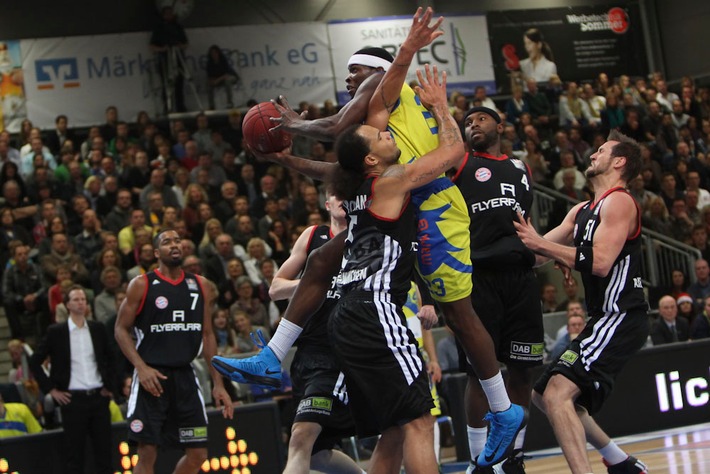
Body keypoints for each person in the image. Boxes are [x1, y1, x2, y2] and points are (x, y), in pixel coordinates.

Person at [214, 9, 526, 469]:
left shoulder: (378, 90)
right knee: (321, 260)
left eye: (353, 71)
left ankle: (503, 409)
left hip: (432, 203)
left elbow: (347, 128)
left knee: (459, 316)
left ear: (374, 72)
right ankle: (273, 353)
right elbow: (339, 166)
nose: (348, 80)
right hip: (397, 203)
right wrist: (287, 161)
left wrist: (291, 126)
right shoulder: (378, 119)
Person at [514, 130, 649, 474]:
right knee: (544, 395)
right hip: (601, 318)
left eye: (601, 151)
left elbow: (600, 261)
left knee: (557, 394)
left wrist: (546, 246)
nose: (592, 155)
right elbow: (537, 255)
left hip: (621, 315)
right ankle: (620, 462)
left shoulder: (619, 201)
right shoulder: (581, 210)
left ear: (619, 162)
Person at [451, 106, 545, 473]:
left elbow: (527, 224)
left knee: (523, 372)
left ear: (500, 126)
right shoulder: (460, 162)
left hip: (521, 278)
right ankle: (479, 461)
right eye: (468, 122)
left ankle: (513, 458)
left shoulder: (521, 168)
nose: (473, 125)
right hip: (479, 278)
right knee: (479, 373)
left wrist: (551, 255)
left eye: (480, 120)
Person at [115, 228, 233, 474]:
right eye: (167, 242)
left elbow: (208, 335)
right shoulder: (141, 284)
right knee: (146, 453)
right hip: (152, 377)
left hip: (186, 378)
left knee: (198, 454)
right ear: (157, 252)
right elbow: (120, 330)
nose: (174, 244)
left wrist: (218, 383)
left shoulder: (201, 285)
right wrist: (141, 367)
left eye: (178, 240)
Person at [268, 187, 363, 474]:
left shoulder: (367, 237)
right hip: (306, 354)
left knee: (301, 438)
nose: (344, 200)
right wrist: (315, 281)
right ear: (327, 203)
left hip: (339, 352)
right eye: (339, 195)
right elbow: (275, 288)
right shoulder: (312, 236)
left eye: (350, 195)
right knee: (318, 453)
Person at [29, 285, 116, 474]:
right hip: (72, 400)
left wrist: (110, 386)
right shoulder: (56, 332)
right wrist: (51, 390)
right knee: (74, 456)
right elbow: (35, 362)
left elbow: (112, 357)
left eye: (83, 299)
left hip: (98, 398)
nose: (81, 303)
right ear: (67, 304)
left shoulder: (97, 328)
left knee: (105, 454)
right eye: (76, 299)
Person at [150, 5, 188, 113]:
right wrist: (163, 49)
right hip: (165, 60)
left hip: (178, 58)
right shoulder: (159, 28)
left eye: (170, 13)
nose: (169, 15)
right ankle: (167, 107)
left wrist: (178, 46)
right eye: (167, 13)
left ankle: (181, 107)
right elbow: (152, 46)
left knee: (179, 84)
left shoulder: (178, 27)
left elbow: (185, 44)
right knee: (166, 84)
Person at [205, 45, 239, 110]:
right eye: (212, 53)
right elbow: (210, 76)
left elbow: (227, 74)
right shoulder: (209, 64)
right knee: (208, 85)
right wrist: (212, 81)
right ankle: (211, 106)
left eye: (215, 53)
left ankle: (230, 103)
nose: (214, 55)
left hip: (230, 77)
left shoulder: (223, 61)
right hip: (218, 80)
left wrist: (217, 80)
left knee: (227, 81)